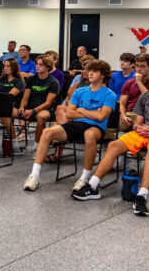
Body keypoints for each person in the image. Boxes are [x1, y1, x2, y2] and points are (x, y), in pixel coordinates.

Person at [72, 62, 149, 216]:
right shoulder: (145, 96)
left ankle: (141, 196)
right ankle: (93, 186)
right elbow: (138, 122)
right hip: (145, 132)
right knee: (113, 145)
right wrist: (138, 127)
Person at [24, 59, 116, 193]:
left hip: (96, 127)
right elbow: (69, 113)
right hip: (76, 124)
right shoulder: (80, 91)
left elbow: (101, 117)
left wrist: (81, 110)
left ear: (103, 75)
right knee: (47, 132)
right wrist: (92, 113)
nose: (90, 73)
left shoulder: (109, 94)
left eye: (95, 71)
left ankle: (85, 177)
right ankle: (34, 175)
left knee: (89, 134)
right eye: (90, 70)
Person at [17, 54, 59, 146]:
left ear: (48, 67)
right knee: (9, 112)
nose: (37, 66)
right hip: (30, 108)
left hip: (45, 109)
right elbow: (25, 97)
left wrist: (33, 111)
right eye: (37, 64)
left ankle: (37, 144)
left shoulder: (53, 82)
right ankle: (13, 140)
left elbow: (48, 103)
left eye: (41, 65)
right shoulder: (31, 79)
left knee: (41, 117)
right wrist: (22, 107)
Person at [118, 53, 149, 130]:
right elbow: (122, 103)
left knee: (141, 127)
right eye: (137, 66)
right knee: (123, 123)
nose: (139, 69)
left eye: (143, 66)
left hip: (147, 115)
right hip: (130, 113)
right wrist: (123, 116)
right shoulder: (129, 83)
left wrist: (139, 82)